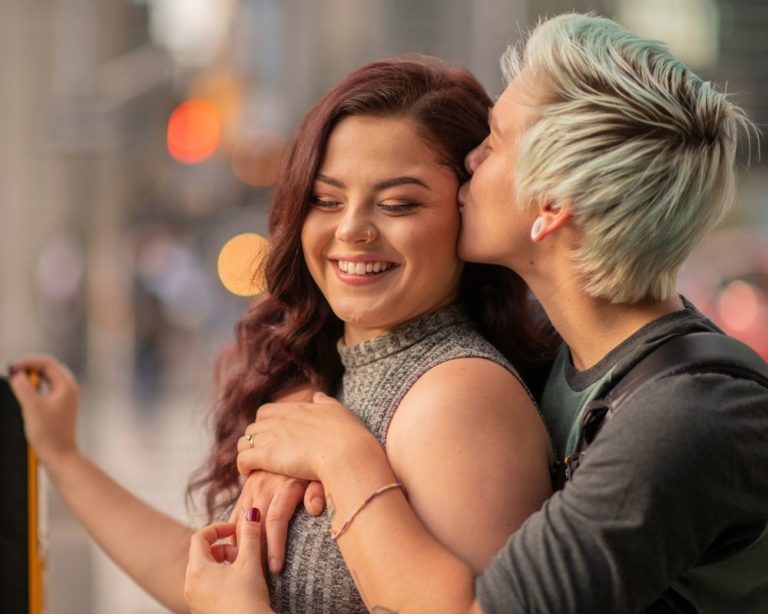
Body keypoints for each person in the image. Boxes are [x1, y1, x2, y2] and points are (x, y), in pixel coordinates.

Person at [190, 12, 768, 614]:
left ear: (551, 206)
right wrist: (301, 419)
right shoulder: (571, 352)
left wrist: (343, 460)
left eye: (494, 142)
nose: (470, 161)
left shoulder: (684, 419)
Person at [9, 56, 556, 613]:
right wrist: (64, 456)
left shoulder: (456, 397)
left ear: (468, 207)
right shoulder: (341, 377)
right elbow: (202, 575)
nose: (352, 229)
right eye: (326, 199)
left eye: (398, 204)